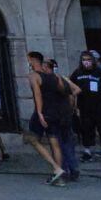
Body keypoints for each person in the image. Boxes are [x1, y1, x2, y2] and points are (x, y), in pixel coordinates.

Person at [25, 51, 68, 186]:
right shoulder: (53, 76)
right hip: (55, 112)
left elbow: (37, 95)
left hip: (44, 112)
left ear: (32, 60)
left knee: (31, 138)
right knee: (54, 143)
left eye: (28, 60)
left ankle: (56, 168)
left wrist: (39, 113)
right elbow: (63, 91)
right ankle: (59, 177)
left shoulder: (33, 76)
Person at [71, 50, 101, 164]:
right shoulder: (77, 73)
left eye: (89, 59)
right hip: (85, 107)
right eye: (84, 60)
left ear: (93, 61)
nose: (86, 62)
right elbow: (71, 87)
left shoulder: (100, 72)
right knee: (86, 129)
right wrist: (74, 106)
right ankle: (87, 152)